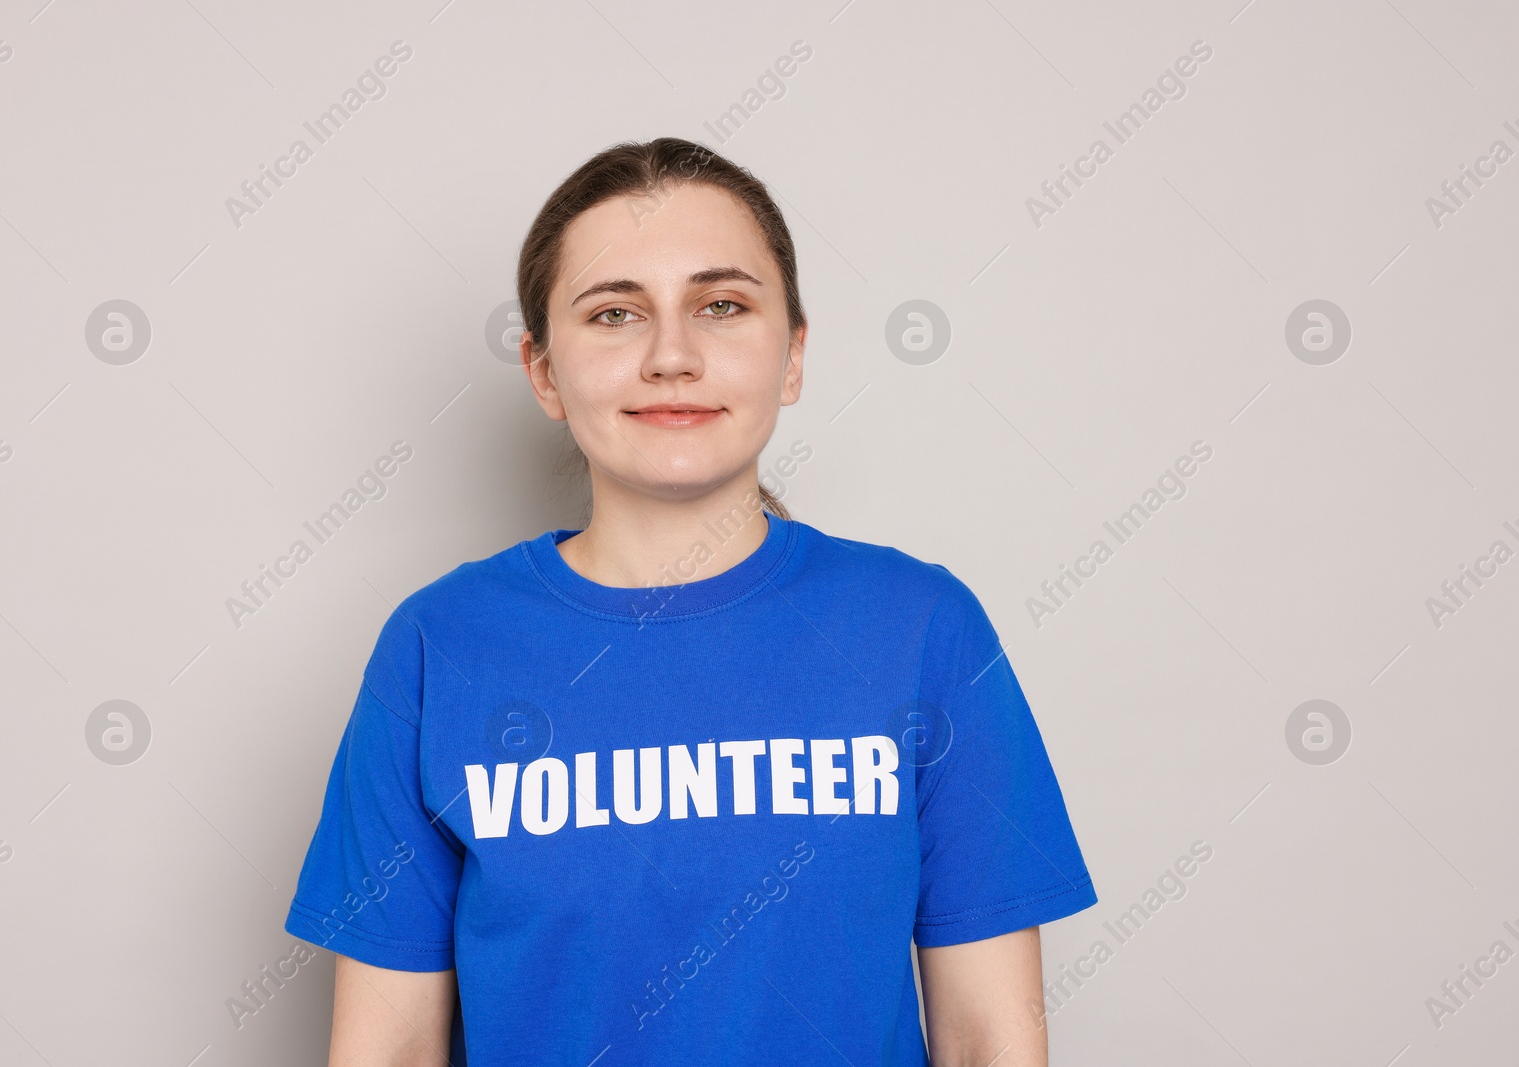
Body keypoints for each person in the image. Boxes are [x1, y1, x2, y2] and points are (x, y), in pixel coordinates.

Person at [284, 137, 1097, 1066]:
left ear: (792, 356)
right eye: (615, 313)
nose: (672, 354)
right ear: (544, 371)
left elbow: (993, 1038)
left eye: (722, 305)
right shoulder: (440, 647)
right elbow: (385, 1051)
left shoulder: (921, 628)